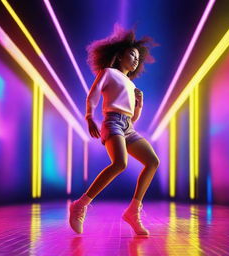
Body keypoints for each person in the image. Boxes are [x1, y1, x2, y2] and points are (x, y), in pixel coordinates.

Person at [69, 22, 161, 236]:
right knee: (119, 163)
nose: (135, 59)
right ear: (120, 55)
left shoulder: (131, 85)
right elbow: (92, 95)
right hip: (112, 122)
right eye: (132, 54)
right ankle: (80, 204)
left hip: (128, 126)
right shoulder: (108, 72)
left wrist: (139, 105)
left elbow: (134, 119)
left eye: (138, 57)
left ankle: (133, 211)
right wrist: (89, 116)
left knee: (152, 161)